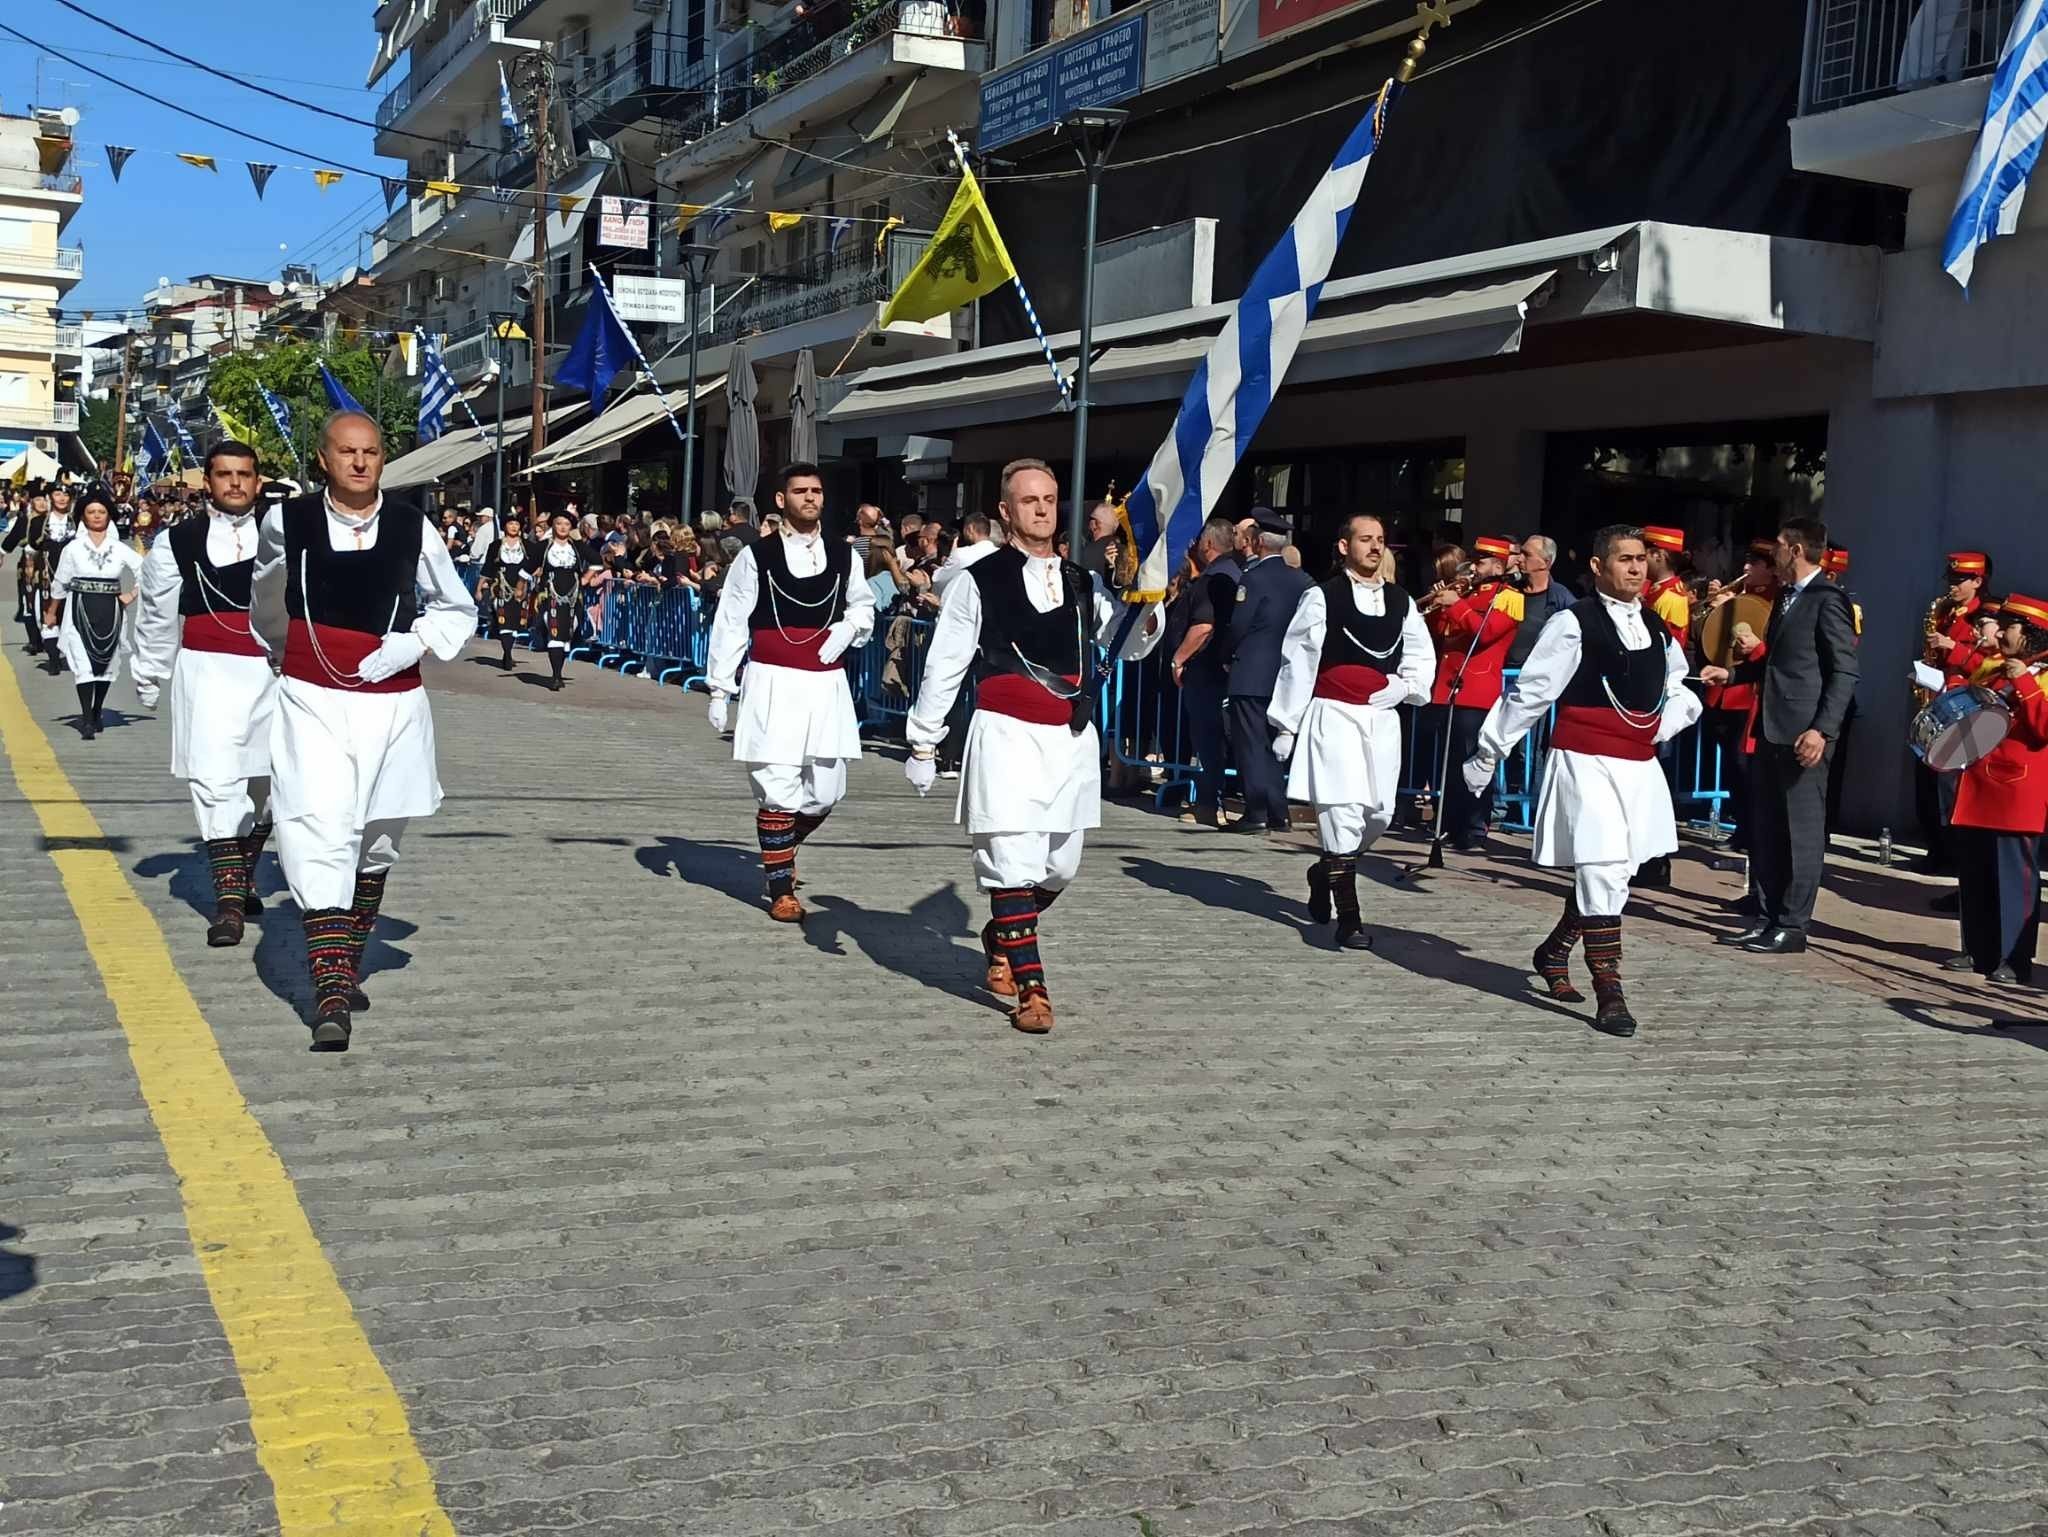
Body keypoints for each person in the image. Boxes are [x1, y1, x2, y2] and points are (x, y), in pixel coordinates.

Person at [903, 458, 1162, 1034]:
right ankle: (1033, 989)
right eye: (1030, 500)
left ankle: (1002, 933)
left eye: (1049, 499)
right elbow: (945, 664)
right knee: (1012, 862)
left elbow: (1128, 644)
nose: (1043, 509)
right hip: (1005, 737)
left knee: (1058, 866)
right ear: (1006, 511)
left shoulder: (1081, 582)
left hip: (1068, 742)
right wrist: (924, 741)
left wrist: (1147, 602)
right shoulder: (978, 579)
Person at [250, 411, 478, 1050]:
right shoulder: (286, 521)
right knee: (315, 825)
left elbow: (455, 606)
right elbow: (267, 599)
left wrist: (414, 644)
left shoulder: (413, 525)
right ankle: (329, 987)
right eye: (346, 452)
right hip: (312, 697)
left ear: (382, 459)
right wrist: (286, 652)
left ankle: (345, 962)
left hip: (393, 706)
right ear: (322, 459)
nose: (358, 463)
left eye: (370, 452)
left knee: (375, 838)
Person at [1463, 525, 1703, 1037]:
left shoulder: (1658, 628)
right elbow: (1531, 692)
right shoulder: (1574, 623)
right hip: (1585, 759)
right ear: (1598, 567)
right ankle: (1609, 987)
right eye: (1624, 559)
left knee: (1617, 871)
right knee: (1601, 864)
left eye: (1641, 559)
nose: (1636, 568)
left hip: (1637, 764)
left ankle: (1553, 952)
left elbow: (1679, 687)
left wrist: (1667, 719)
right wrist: (1489, 753)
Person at [704, 462, 875, 923]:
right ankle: (781, 888)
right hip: (773, 679)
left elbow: (863, 604)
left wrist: (851, 627)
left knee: (825, 790)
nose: (810, 498)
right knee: (777, 787)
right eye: (800, 491)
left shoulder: (845, 556)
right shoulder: (754, 556)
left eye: (816, 491)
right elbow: (733, 620)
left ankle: (781, 847)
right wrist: (720, 686)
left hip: (825, 683)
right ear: (781, 501)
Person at [128, 441, 278, 947]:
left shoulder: (288, 534)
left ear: (258, 481)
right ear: (208, 482)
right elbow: (156, 612)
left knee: (270, 789)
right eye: (223, 474)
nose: (234, 483)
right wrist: (150, 672)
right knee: (215, 784)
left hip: (278, 675)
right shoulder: (178, 541)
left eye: (244, 474)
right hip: (209, 673)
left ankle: (246, 870)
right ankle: (229, 904)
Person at [1269, 513, 1435, 948]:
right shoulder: (1322, 597)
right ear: (1345, 547)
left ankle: (1325, 869)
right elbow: (1299, 659)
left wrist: (1406, 685)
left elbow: (1419, 653)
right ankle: (1350, 919)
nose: (1375, 547)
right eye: (1366, 539)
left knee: (1376, 815)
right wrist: (1286, 723)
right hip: (1335, 716)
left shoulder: (1402, 601)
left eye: (1380, 540)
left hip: (1381, 720)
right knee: (1342, 812)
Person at [1703, 516, 1861, 956]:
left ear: (1795, 549)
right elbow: (1773, 663)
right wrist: (1730, 673)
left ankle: (1793, 924)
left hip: (1803, 733)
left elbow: (1843, 672)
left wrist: (1822, 730)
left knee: (1801, 832)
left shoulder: (1827, 600)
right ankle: (1768, 916)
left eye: (1777, 545)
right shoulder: (1788, 598)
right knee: (1768, 829)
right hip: (1773, 728)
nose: (1771, 553)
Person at [1946, 594, 2048, 983]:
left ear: (2032, 635)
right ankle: (1978, 949)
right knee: (1976, 873)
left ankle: (2014, 958)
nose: (2001, 633)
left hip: (2016, 788)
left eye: (2011, 627)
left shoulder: (2040, 675)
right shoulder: (1994, 669)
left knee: (2014, 878)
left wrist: (2023, 678)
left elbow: (2043, 727)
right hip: (1979, 781)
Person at [1419, 543, 1522, 851]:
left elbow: (1485, 632)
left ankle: (1475, 827)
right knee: (1448, 765)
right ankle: (1449, 823)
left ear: (1500, 566)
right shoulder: (1465, 594)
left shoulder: (1509, 598)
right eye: (1475, 559)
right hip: (1447, 687)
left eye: (1484, 561)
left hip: (1476, 690)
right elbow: (1441, 634)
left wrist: (1455, 604)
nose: (1475, 565)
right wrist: (1439, 604)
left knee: (1472, 764)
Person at [1222, 510, 1312, 834]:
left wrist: (1225, 655)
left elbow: (1238, 626)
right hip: (1284, 674)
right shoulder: (1303, 581)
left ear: (1258, 542)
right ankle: (1279, 811)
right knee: (1273, 745)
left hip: (1251, 672)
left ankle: (1256, 810)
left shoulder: (1253, 578)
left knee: (1250, 744)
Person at [46, 485, 142, 739]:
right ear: (83, 516)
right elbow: (60, 581)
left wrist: (131, 595)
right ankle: (87, 718)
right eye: (91, 511)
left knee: (105, 664)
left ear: (109, 515)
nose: (97, 515)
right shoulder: (73, 548)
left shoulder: (120, 548)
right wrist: (52, 611)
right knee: (83, 664)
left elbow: (147, 571)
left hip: (110, 610)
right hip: (79, 608)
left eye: (101, 511)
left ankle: (98, 708)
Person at [1165, 517, 1241, 828]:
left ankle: (1209, 803)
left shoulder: (1213, 579)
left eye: (1197, 542)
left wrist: (1178, 659)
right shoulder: (1238, 572)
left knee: (1208, 741)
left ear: (1208, 544)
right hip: (1226, 671)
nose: (1194, 547)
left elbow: (1203, 627)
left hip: (1207, 672)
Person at [533, 511, 591, 690]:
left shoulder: (576, 546)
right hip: (550, 595)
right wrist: (520, 586)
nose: (563, 527)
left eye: (567, 524)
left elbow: (596, 560)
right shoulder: (545, 546)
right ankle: (556, 676)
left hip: (573, 598)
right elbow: (527, 567)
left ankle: (559, 669)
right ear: (553, 526)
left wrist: (586, 578)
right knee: (554, 632)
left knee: (566, 634)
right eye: (559, 523)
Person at [1507, 534, 1574, 669]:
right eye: (1520, 553)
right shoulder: (1508, 591)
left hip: (1538, 678)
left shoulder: (1561, 599)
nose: (1519, 558)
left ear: (1546, 562)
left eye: (1527, 554)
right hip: (1501, 675)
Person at [480, 513, 531, 669]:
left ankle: (508, 650)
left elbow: (536, 565)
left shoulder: (528, 546)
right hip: (501, 587)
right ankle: (507, 654)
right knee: (503, 620)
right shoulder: (496, 545)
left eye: (517, 524)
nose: (514, 527)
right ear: (505, 526)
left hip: (520, 587)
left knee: (515, 621)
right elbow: (488, 567)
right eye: (511, 523)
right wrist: (479, 587)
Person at [1642, 526, 1692, 644]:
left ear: (1658, 555)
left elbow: (1672, 646)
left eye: (1643, 556)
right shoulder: (1652, 587)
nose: (1639, 562)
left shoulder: (1673, 597)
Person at [930, 511, 998, 594]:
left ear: (970, 529)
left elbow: (939, 582)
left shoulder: (960, 554)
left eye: (964, 529)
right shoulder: (1000, 554)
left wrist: (941, 568)